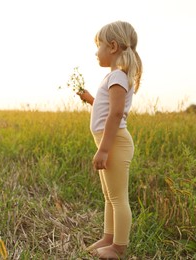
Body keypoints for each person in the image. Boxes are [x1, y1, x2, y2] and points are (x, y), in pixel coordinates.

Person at [77, 20, 142, 259]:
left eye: (99, 46)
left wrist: (103, 150)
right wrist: (91, 99)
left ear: (112, 46)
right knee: (109, 196)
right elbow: (107, 109)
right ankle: (108, 237)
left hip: (115, 144)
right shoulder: (115, 77)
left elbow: (116, 114)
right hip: (110, 142)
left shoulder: (117, 77)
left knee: (118, 196)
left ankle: (119, 247)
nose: (96, 52)